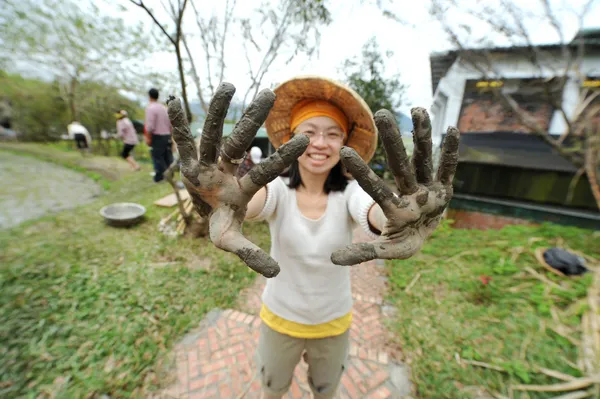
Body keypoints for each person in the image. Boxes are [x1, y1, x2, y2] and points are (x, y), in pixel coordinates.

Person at [168, 76, 460, 399]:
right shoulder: (277, 189)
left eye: (332, 134)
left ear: (345, 143)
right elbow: (253, 201)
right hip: (279, 319)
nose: (320, 143)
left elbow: (373, 210)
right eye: (309, 133)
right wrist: (225, 200)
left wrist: (396, 219)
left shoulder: (350, 192)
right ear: (291, 140)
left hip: (333, 323)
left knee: (325, 392)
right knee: (271, 389)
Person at [145, 88, 173, 182]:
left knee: (158, 157)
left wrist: (148, 137)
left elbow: (150, 126)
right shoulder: (164, 108)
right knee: (167, 157)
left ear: (149, 96)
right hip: (167, 135)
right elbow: (170, 124)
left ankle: (161, 177)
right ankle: (169, 175)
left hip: (157, 137)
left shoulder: (150, 108)